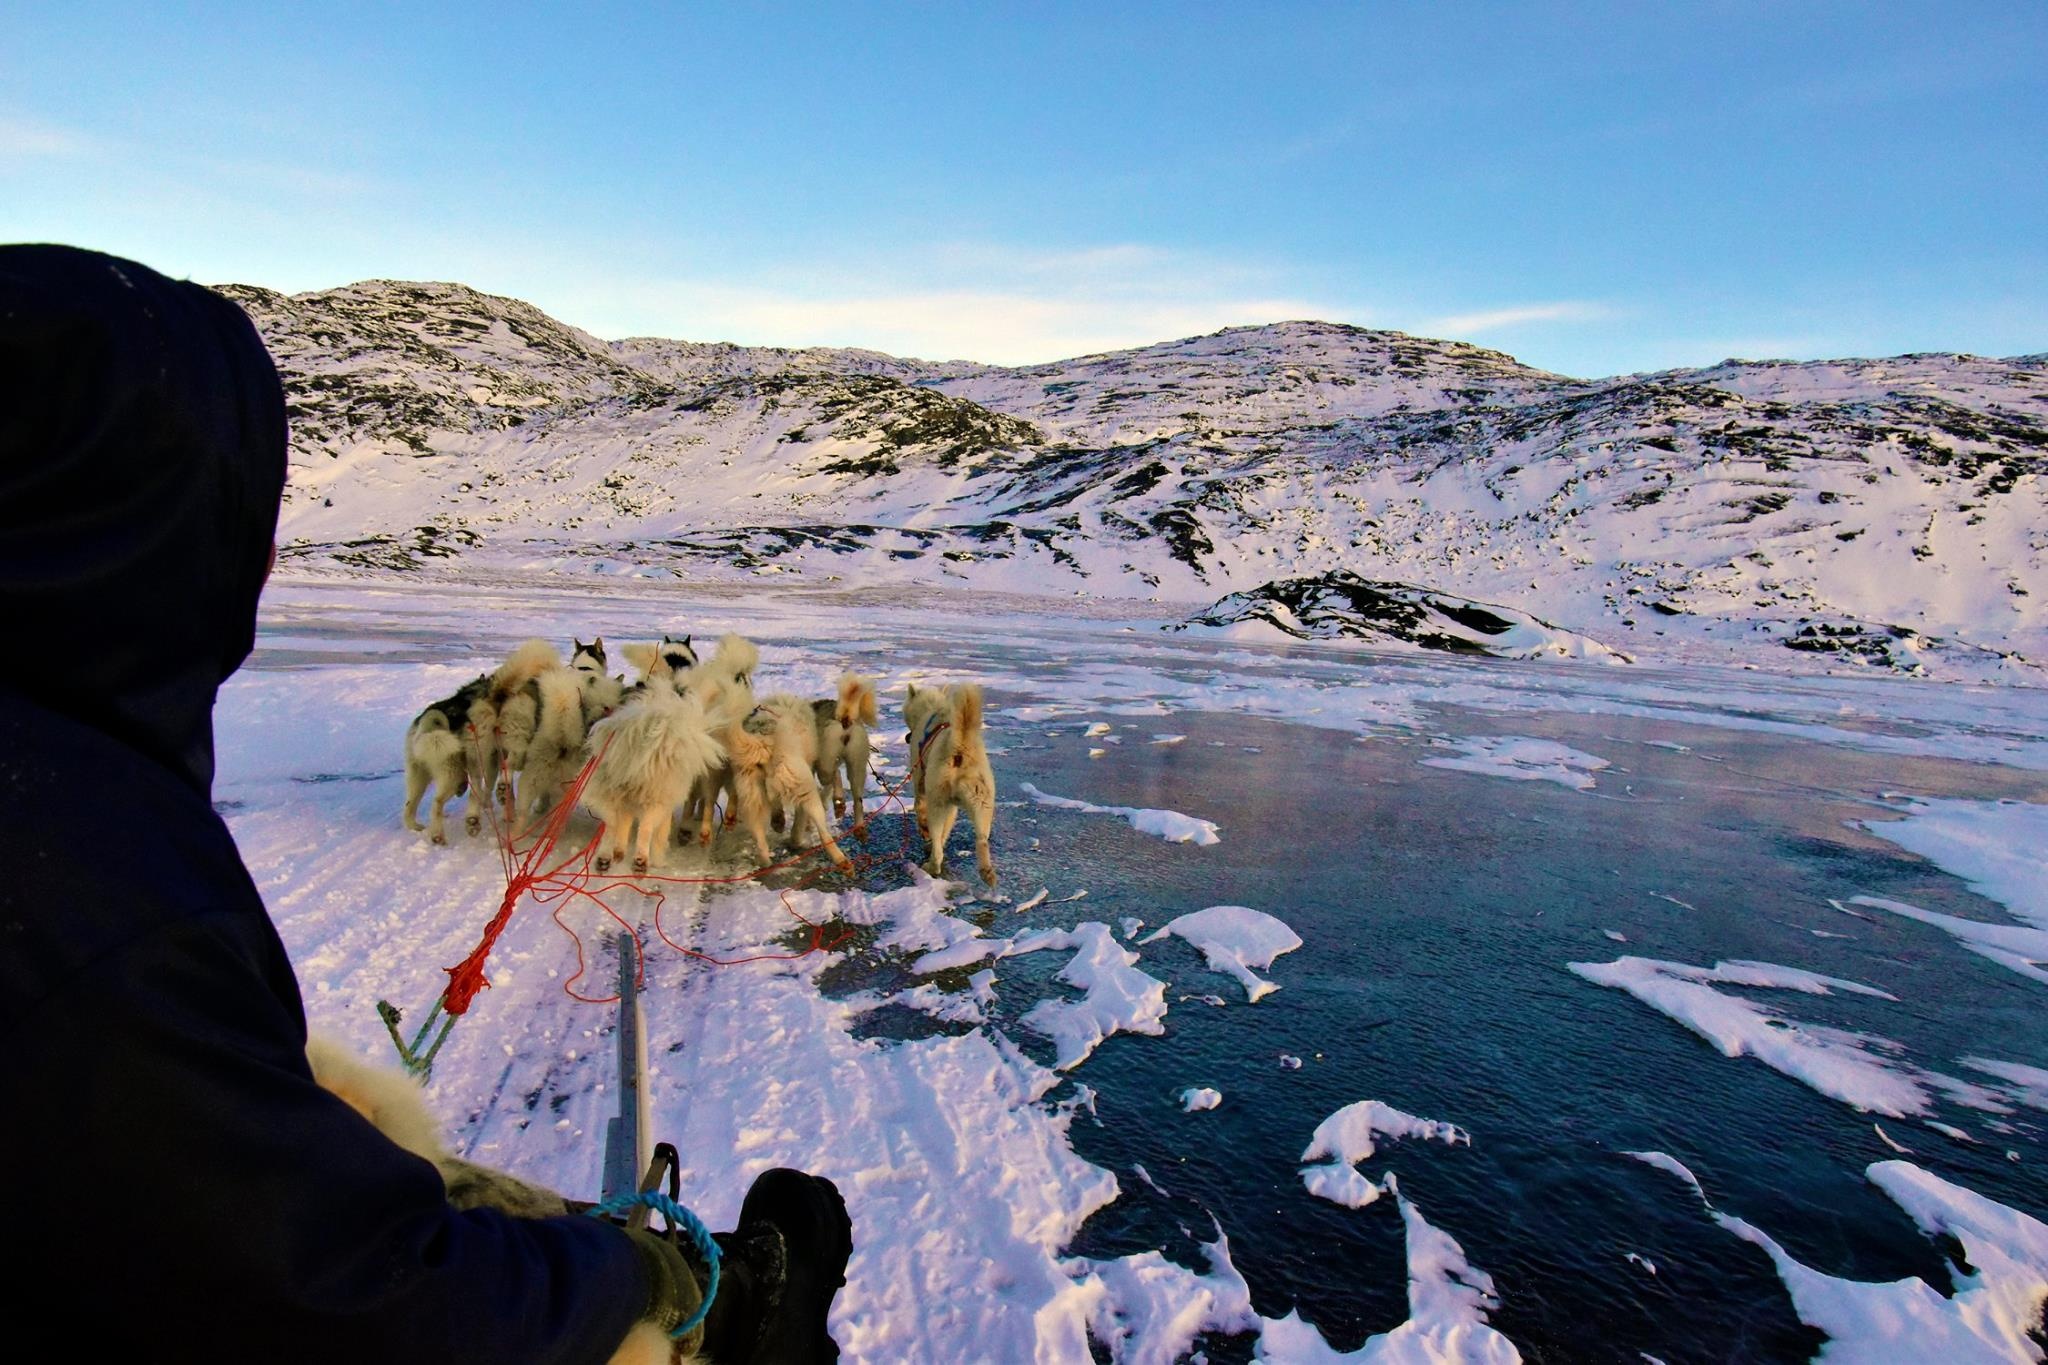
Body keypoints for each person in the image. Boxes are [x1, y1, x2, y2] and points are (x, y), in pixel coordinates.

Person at [0, 244, 850, 1363]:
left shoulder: (66, 797)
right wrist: (640, 1275)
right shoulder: (91, 886)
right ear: (166, 520)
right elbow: (351, 1289)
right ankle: (730, 1308)